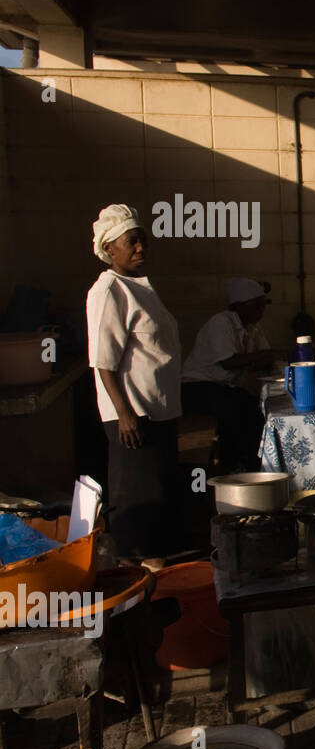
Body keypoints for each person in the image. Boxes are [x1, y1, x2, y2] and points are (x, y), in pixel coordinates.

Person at [85, 204, 184, 560]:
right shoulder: (108, 290)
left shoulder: (138, 287)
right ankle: (134, 573)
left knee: (157, 497)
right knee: (137, 501)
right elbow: (103, 361)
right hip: (133, 416)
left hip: (157, 412)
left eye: (142, 240)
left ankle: (156, 571)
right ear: (110, 248)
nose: (141, 248)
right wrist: (123, 413)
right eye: (131, 241)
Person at [180, 278, 275, 473]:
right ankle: (234, 466)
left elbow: (265, 355)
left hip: (222, 387)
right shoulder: (221, 322)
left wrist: (267, 358)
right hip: (196, 387)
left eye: (262, 306)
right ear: (239, 306)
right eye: (255, 307)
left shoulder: (252, 327)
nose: (260, 312)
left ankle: (247, 462)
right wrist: (264, 356)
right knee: (236, 409)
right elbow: (228, 361)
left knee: (252, 407)